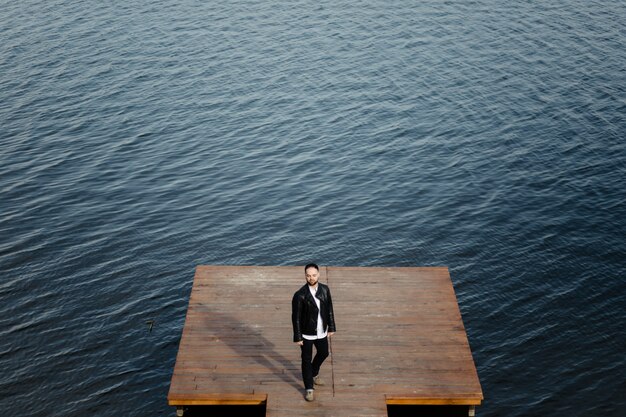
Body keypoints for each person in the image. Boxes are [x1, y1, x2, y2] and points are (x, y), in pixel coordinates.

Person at [292, 263, 336, 402]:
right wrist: (298, 336)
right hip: (306, 334)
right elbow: (296, 318)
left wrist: (332, 327)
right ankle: (309, 388)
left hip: (321, 331)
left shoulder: (325, 289)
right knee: (306, 360)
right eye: (308, 275)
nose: (311, 278)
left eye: (314, 275)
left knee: (324, 353)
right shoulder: (300, 295)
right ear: (305, 276)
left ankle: (313, 372)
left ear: (319, 274)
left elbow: (329, 309)